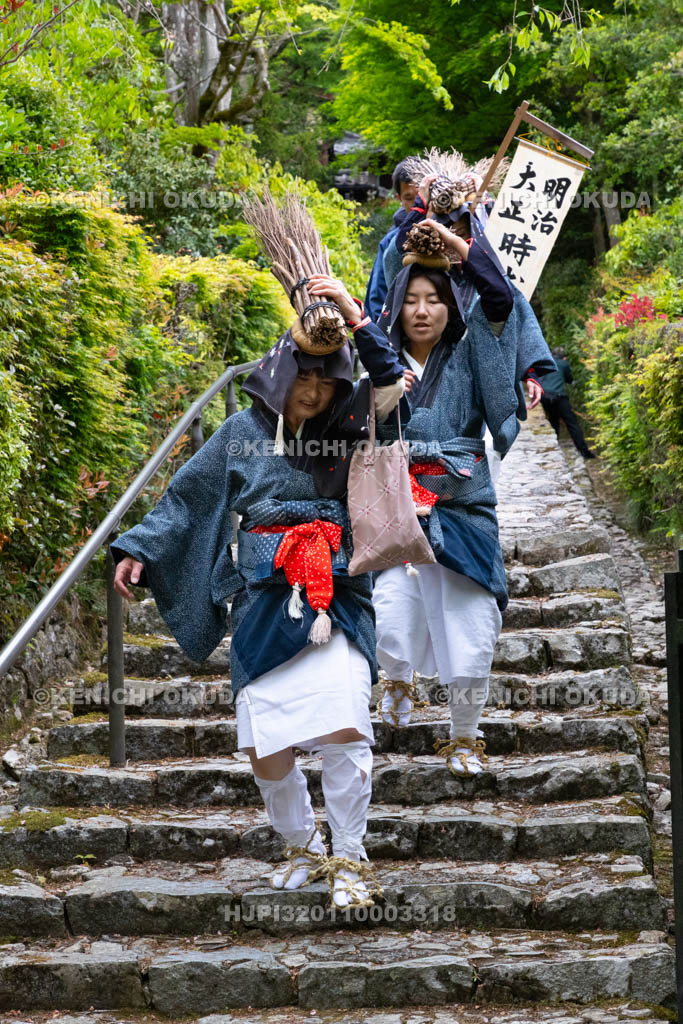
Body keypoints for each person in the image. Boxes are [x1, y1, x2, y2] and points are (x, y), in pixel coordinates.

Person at [112, 271, 405, 909]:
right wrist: (141, 546)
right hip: (263, 597)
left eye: (327, 378)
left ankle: (350, 857)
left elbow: (391, 388)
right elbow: (189, 496)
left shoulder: (353, 429)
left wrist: (357, 317)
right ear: (278, 375)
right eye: (303, 375)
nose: (314, 389)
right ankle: (302, 846)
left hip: (336, 592)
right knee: (267, 742)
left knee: (346, 729)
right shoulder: (242, 432)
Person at [371, 204, 554, 776]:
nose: (422, 311)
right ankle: (397, 679)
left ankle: (465, 736)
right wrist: (381, 398)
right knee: (391, 616)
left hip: (463, 500)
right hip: (397, 502)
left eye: (435, 299)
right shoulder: (377, 359)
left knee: (471, 622)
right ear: (395, 305)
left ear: (451, 305)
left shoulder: (474, 345)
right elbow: (346, 428)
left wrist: (454, 239)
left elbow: (500, 299)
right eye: (411, 300)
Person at [364, 158, 419, 322]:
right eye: (409, 198)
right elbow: (378, 296)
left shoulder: (452, 231)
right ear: (399, 198)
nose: (417, 204)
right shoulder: (391, 242)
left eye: (421, 196)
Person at [539, 348, 596, 458]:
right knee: (572, 423)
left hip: (544, 396)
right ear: (564, 357)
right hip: (559, 396)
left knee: (553, 420)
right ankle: (585, 452)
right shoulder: (564, 364)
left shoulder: (545, 362)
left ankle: (553, 449)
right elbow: (569, 379)